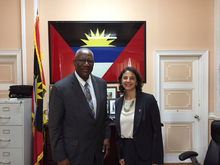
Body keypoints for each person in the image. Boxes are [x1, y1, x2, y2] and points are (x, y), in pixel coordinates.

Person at [49, 48, 111, 165]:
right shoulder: (60, 88)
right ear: (74, 62)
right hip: (73, 155)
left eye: (90, 61)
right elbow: (54, 127)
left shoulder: (101, 84)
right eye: (82, 60)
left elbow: (104, 115)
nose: (86, 64)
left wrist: (107, 137)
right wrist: (60, 157)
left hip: (97, 153)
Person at [115, 67, 164, 165]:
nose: (128, 81)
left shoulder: (148, 100)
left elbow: (156, 131)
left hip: (145, 151)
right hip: (126, 150)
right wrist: (121, 155)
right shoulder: (118, 102)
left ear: (137, 82)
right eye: (125, 78)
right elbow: (118, 133)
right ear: (121, 81)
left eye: (132, 78)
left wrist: (156, 159)